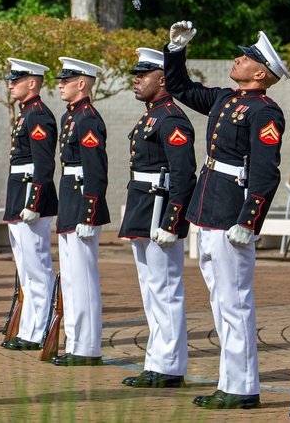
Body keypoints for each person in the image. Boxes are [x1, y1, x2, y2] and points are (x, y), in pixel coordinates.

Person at [163, 21, 288, 410]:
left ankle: (242, 386)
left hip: (232, 210)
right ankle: (231, 381)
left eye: (247, 57)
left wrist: (250, 220)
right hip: (210, 204)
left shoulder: (266, 112)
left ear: (260, 73)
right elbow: (181, 88)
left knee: (234, 301)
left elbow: (267, 172)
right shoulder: (225, 99)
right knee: (220, 300)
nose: (238, 58)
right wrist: (175, 50)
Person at [118, 47, 196, 388]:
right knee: (151, 290)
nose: (136, 80)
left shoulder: (172, 118)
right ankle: (157, 361)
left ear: (163, 79)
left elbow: (184, 175)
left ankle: (169, 366)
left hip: (159, 211)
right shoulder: (152, 115)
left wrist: (172, 221)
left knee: (164, 290)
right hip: (143, 206)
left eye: (143, 75)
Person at [52, 57, 109, 367]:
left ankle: (87, 347)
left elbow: (96, 172)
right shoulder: (71, 117)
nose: (60, 83)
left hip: (82, 201)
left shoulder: (88, 119)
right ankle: (75, 344)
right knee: (72, 279)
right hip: (69, 199)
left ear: (83, 83)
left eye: (67, 79)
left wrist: (90, 213)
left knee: (83, 278)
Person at [0, 58, 58, 351]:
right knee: (26, 269)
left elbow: (43, 165)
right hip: (19, 198)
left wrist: (33, 202)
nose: (10, 84)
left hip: (31, 202)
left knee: (37, 269)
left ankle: (39, 331)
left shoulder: (38, 116)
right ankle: (29, 328)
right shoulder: (26, 114)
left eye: (17, 79)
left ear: (32, 83)